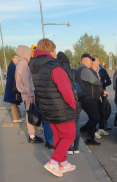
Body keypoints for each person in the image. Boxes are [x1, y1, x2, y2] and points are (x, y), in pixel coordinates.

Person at [29, 39, 76, 177]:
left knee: (57, 136)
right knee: (69, 136)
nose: (55, 53)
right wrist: (72, 104)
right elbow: (66, 90)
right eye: (54, 50)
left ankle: (63, 163)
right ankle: (54, 162)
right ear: (50, 51)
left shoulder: (36, 67)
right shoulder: (54, 67)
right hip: (61, 109)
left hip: (46, 107)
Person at [77, 53, 108, 145]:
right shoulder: (83, 69)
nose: (92, 61)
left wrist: (101, 92)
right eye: (90, 60)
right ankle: (83, 130)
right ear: (84, 60)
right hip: (87, 98)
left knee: (93, 118)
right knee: (96, 117)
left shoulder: (83, 69)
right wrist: (99, 82)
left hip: (90, 98)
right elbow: (94, 80)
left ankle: (90, 139)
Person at [15, 45, 44, 144]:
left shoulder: (21, 63)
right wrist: (31, 95)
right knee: (31, 114)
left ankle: (32, 135)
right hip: (27, 94)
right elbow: (26, 83)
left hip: (26, 94)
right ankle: (32, 136)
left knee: (30, 114)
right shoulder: (23, 65)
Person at [57, 51, 81, 155]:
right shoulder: (74, 72)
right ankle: (76, 147)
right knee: (76, 125)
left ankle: (69, 147)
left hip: (64, 104)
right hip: (76, 102)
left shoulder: (58, 72)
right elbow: (81, 87)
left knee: (67, 127)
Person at [31, 44, 54, 149]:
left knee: (46, 119)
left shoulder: (33, 64)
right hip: (47, 96)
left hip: (40, 95)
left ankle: (49, 140)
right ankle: (50, 141)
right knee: (48, 119)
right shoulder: (46, 65)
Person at [91, 55, 109, 138]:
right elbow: (94, 87)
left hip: (102, 95)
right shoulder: (91, 73)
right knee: (95, 115)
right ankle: (92, 131)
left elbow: (101, 84)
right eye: (97, 61)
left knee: (105, 111)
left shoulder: (98, 73)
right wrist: (100, 95)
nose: (99, 63)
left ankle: (101, 128)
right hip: (96, 97)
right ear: (93, 62)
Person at [4, 55, 22, 123]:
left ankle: (19, 117)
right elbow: (14, 77)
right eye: (16, 58)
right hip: (11, 87)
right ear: (12, 58)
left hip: (13, 87)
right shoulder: (12, 66)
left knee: (15, 102)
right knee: (13, 103)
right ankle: (15, 119)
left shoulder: (14, 65)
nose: (17, 59)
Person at [98, 57, 112, 130]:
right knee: (99, 111)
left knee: (106, 109)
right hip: (95, 94)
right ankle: (98, 127)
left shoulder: (103, 71)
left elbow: (109, 81)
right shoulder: (90, 71)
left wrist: (103, 86)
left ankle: (103, 125)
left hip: (103, 93)